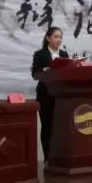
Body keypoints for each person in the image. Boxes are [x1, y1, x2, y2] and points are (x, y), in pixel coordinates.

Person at [31, 26, 69, 161]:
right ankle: (48, 158)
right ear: (48, 38)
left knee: (61, 127)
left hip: (61, 96)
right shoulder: (40, 54)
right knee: (47, 127)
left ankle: (60, 157)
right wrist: (45, 70)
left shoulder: (64, 54)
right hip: (45, 96)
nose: (59, 40)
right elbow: (35, 74)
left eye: (60, 37)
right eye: (56, 37)